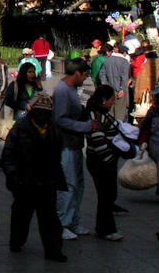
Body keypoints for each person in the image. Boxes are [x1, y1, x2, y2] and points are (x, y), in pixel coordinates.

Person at [0, 94, 68, 262]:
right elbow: (8, 153)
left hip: (47, 181)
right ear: (32, 111)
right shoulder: (20, 128)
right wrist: (13, 173)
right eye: (39, 112)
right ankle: (16, 242)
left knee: (50, 219)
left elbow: (58, 152)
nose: (42, 116)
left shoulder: (54, 129)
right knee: (21, 217)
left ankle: (53, 250)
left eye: (46, 113)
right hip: (25, 181)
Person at [53, 58, 100, 240]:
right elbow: (60, 119)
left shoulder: (71, 89)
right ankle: (62, 224)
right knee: (68, 185)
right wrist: (86, 126)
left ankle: (73, 221)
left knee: (78, 184)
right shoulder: (63, 90)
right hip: (65, 145)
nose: (85, 79)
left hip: (75, 143)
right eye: (85, 75)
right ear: (77, 73)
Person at [82, 85, 129, 241]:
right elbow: (98, 143)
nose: (113, 103)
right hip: (101, 162)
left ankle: (104, 227)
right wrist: (110, 160)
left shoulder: (101, 114)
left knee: (107, 195)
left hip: (104, 161)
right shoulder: (96, 116)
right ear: (103, 99)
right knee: (105, 196)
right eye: (111, 100)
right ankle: (106, 229)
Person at [99, 45, 131, 121]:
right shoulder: (124, 62)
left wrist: (105, 85)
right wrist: (122, 88)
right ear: (125, 53)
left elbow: (102, 74)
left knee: (110, 111)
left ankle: (109, 126)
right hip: (119, 90)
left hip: (109, 89)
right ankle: (118, 127)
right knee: (120, 112)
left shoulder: (108, 60)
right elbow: (124, 77)